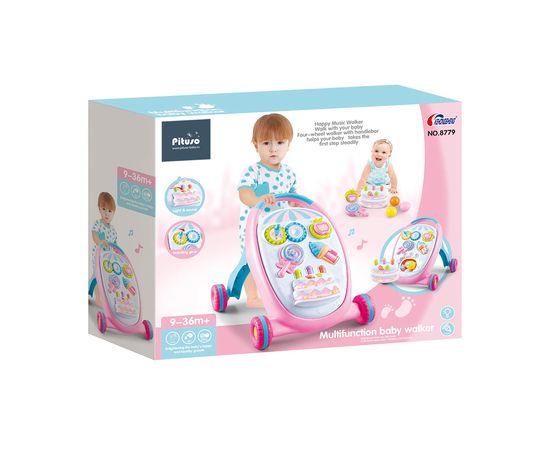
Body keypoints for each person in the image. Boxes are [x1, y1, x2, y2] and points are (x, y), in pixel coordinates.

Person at [237, 113, 298, 308]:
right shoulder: (253, 171)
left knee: (282, 260)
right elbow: (244, 193)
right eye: (266, 143)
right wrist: (257, 200)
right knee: (251, 262)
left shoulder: (289, 172)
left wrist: (297, 204)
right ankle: (252, 297)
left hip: (280, 229)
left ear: (288, 145)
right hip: (255, 228)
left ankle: (281, 293)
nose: (273, 148)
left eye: (280, 142)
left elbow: (293, 197)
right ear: (256, 145)